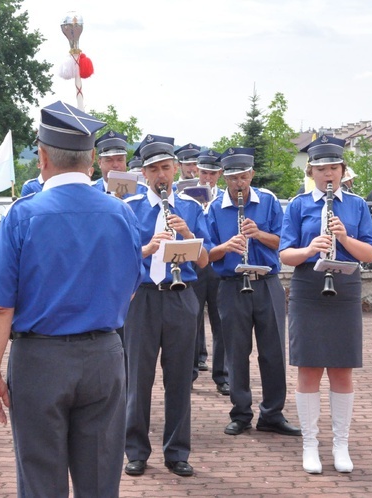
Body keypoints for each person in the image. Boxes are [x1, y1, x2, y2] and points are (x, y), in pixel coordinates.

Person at [0, 101, 144, 497]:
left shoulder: (23, 215)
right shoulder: (121, 213)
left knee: (41, 481)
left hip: (41, 361)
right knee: (101, 480)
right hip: (104, 353)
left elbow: (0, 306)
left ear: (43, 156)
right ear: (91, 160)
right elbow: (131, 285)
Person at [280, 135, 372, 474]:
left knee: (341, 368)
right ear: (312, 171)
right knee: (308, 367)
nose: (327, 174)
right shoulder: (297, 204)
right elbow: (285, 253)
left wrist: (345, 237)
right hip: (308, 287)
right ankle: (310, 444)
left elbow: (370, 253)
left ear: (342, 169)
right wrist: (309, 250)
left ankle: (340, 444)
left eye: (333, 168)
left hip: (345, 286)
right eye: (320, 169)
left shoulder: (357, 205)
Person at [123, 134, 210, 478]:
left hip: (181, 296)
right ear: (144, 174)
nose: (161, 175)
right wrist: (148, 247)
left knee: (178, 379)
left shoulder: (190, 206)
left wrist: (187, 232)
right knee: (138, 379)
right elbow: (119, 257)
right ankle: (136, 451)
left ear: (175, 169)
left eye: (166, 168)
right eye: (154, 169)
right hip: (142, 298)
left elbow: (204, 261)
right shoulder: (130, 208)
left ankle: (176, 452)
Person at [206, 147, 300, 439]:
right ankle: (241, 413)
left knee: (273, 351)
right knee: (236, 352)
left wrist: (257, 233)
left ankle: (272, 414)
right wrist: (227, 246)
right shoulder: (214, 208)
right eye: (233, 178)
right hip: (232, 285)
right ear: (225, 179)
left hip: (267, 282)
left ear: (252, 175)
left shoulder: (269, 201)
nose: (239, 183)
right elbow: (206, 254)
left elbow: (282, 245)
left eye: (244, 177)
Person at [191, 149, 229, 395]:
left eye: (213, 173)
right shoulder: (185, 196)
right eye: (204, 172)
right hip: (193, 265)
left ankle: (223, 375)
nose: (207, 178)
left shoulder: (225, 198)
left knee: (221, 322)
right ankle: (190, 370)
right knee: (190, 321)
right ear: (197, 171)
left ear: (220, 174)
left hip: (217, 265)